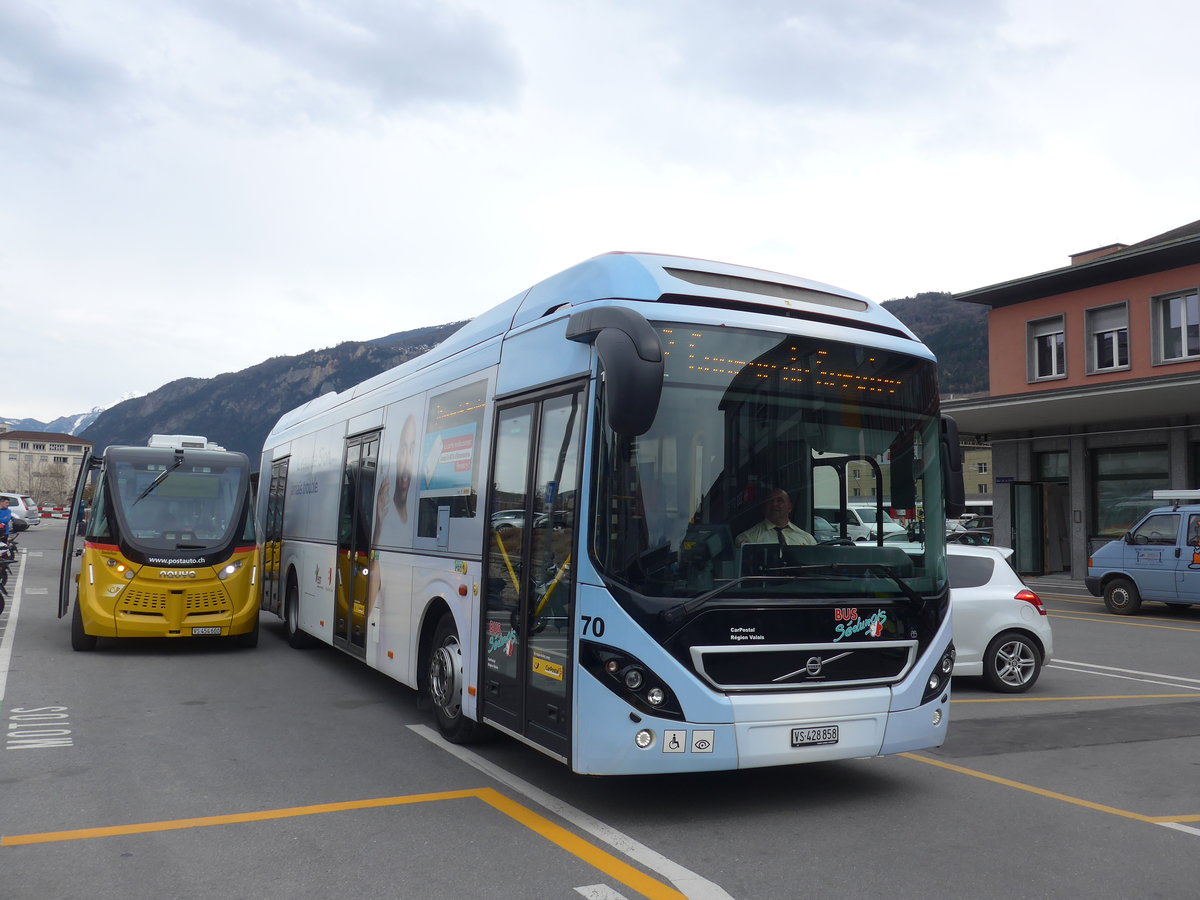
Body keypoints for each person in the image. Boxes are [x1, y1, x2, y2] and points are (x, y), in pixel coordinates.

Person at [735, 488, 816, 547]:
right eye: (770, 501)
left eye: (779, 500)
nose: (774, 504)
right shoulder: (748, 539)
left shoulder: (808, 539)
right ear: (764, 508)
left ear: (789, 508)